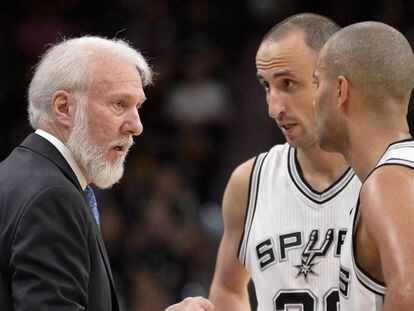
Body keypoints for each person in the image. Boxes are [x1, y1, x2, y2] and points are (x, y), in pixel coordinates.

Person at [0, 36, 213, 311]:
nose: (137, 126)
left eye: (138, 107)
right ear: (64, 107)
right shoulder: (52, 197)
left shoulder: (13, 175)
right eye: (119, 104)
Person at [208, 13, 361, 311]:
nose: (273, 108)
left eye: (288, 83)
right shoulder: (249, 183)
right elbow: (227, 287)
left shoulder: (394, 176)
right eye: (267, 86)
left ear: (337, 83)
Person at [313, 21, 414, 310]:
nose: (313, 100)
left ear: (340, 91)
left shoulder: (390, 181)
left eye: (317, 82)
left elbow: (409, 294)